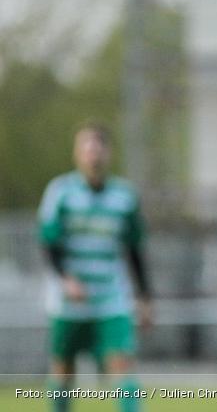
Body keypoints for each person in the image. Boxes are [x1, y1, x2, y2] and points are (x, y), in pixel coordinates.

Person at [37, 122, 152, 412]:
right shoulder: (60, 192)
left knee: (122, 364)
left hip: (111, 298)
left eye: (98, 147)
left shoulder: (124, 196)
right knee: (63, 369)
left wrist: (145, 297)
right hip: (69, 300)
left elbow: (135, 249)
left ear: (107, 153)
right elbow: (48, 244)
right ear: (77, 153)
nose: (93, 154)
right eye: (86, 147)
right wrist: (65, 279)